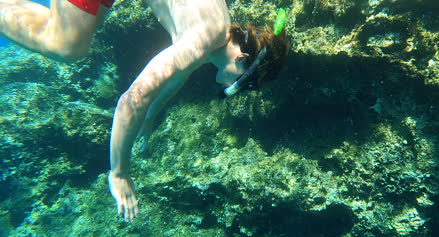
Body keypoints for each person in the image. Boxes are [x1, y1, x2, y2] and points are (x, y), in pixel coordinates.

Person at [1, 0, 288, 221]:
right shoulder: (204, 39)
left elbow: (178, 75)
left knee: (66, 30)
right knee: (65, 47)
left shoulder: (217, 33)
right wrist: (119, 172)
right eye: (247, 85)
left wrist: (150, 118)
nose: (239, 89)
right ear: (241, 59)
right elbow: (132, 99)